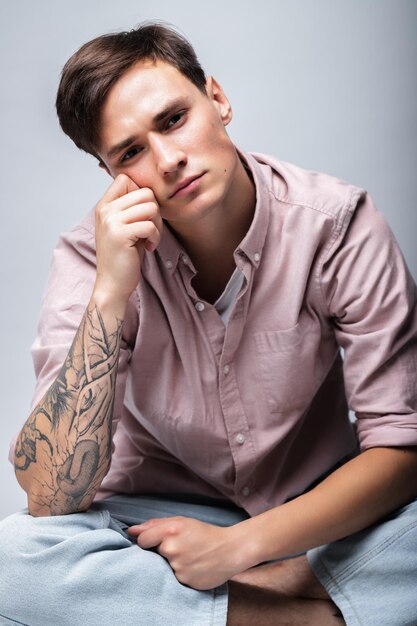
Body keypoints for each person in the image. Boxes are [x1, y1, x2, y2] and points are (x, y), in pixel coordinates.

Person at [1, 21, 416, 626]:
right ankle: (297, 616)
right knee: (12, 561)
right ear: (111, 174)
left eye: (173, 120)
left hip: (321, 516)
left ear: (216, 99)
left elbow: (402, 448)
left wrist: (240, 550)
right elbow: (49, 495)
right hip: (162, 526)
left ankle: (260, 590)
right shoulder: (93, 258)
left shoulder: (337, 225)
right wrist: (112, 291)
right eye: (131, 152)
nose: (168, 160)